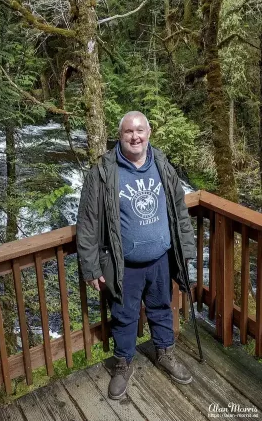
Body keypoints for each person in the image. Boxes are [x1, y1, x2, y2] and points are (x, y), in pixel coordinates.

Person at [76, 111, 196, 400]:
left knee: (161, 309)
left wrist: (187, 250)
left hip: (161, 260)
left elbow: (180, 211)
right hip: (123, 265)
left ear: (149, 132)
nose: (135, 136)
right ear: (120, 136)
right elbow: (88, 222)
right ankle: (122, 364)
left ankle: (165, 353)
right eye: (128, 131)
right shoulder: (103, 173)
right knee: (124, 316)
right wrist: (91, 267)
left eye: (140, 130)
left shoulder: (163, 165)